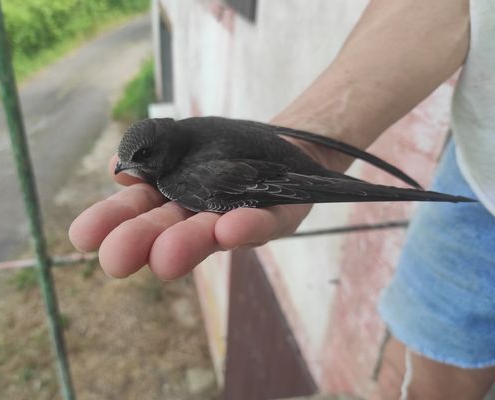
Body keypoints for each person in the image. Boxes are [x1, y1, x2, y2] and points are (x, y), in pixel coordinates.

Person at [69, 0, 495, 398]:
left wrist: (309, 159)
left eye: (138, 159)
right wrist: (318, 134)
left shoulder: (184, 179)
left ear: (160, 148)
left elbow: (269, 172)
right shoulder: (187, 130)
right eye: (129, 162)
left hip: (285, 172)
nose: (127, 168)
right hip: (478, 169)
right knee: (425, 364)